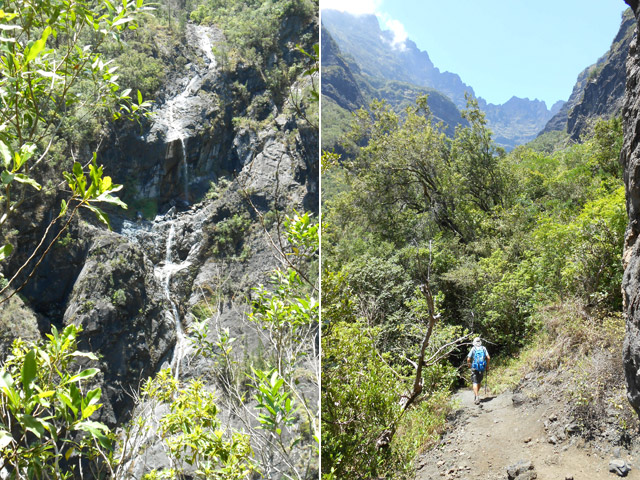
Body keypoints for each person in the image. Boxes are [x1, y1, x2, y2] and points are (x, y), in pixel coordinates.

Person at [467, 337, 490, 404]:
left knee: (475, 382)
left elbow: (468, 359)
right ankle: (476, 394)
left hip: (474, 367)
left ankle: (476, 396)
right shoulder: (483, 348)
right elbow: (488, 357)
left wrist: (469, 364)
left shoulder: (473, 349)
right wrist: (487, 366)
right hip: (482, 367)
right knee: (479, 381)